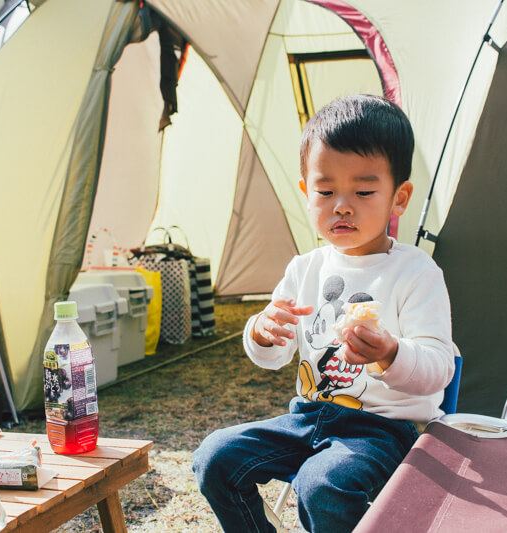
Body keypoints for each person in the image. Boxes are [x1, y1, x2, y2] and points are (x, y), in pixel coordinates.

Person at [193, 94, 456, 533]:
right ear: (306, 192)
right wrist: (261, 333)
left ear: (399, 197)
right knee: (215, 456)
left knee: (322, 484)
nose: (342, 205)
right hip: (307, 417)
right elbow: (274, 356)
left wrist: (390, 353)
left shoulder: (415, 272)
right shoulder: (304, 269)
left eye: (364, 191)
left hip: (383, 432)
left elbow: (438, 369)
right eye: (326, 191)